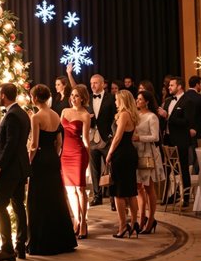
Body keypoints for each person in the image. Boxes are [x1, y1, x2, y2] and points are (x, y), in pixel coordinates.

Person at [25, 84, 77, 255]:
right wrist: (53, 157)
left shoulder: (36, 117)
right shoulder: (55, 115)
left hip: (40, 160)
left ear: (34, 98)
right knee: (56, 198)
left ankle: (40, 243)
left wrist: (28, 164)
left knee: (38, 200)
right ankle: (62, 240)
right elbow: (59, 143)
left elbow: (34, 145)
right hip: (53, 159)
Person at [0, 83, 30, 261]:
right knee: (19, 206)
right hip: (20, 168)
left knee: (0, 206)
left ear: (3, 95)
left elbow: (10, 144)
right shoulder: (22, 113)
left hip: (9, 169)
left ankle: (7, 249)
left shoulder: (11, 115)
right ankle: (20, 247)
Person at [66, 65, 113, 207]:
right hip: (91, 138)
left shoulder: (112, 98)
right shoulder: (87, 99)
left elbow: (116, 117)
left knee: (111, 168)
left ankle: (113, 199)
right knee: (94, 169)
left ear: (103, 84)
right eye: (91, 83)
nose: (92, 85)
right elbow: (76, 91)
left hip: (106, 138)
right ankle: (97, 196)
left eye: (96, 83)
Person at [159, 76, 201, 207]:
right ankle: (169, 195)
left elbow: (187, 122)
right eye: (169, 85)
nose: (169, 87)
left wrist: (167, 116)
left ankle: (185, 196)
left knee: (183, 168)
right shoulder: (169, 101)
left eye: (171, 85)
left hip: (181, 139)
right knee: (168, 168)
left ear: (179, 86)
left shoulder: (188, 101)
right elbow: (165, 121)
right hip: (168, 138)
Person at [60, 84, 91, 238]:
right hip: (64, 153)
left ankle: (84, 222)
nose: (73, 98)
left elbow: (86, 139)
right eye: (72, 95)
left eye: (76, 96)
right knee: (70, 190)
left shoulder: (85, 115)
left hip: (78, 153)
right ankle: (76, 220)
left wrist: (88, 156)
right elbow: (59, 133)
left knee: (80, 189)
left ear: (83, 98)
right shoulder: (65, 111)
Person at [107, 90, 139, 238]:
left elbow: (118, 136)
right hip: (130, 153)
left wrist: (109, 153)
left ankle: (122, 226)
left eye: (116, 100)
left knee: (118, 193)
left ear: (123, 100)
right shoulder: (132, 114)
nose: (115, 102)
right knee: (131, 191)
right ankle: (134, 223)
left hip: (121, 154)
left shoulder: (124, 114)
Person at [133, 90, 163, 235]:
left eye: (140, 99)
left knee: (149, 188)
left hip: (148, 154)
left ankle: (151, 220)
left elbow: (155, 137)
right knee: (139, 187)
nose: (137, 101)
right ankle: (141, 219)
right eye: (137, 99)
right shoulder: (136, 115)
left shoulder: (152, 117)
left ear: (147, 101)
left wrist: (140, 138)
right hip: (136, 152)